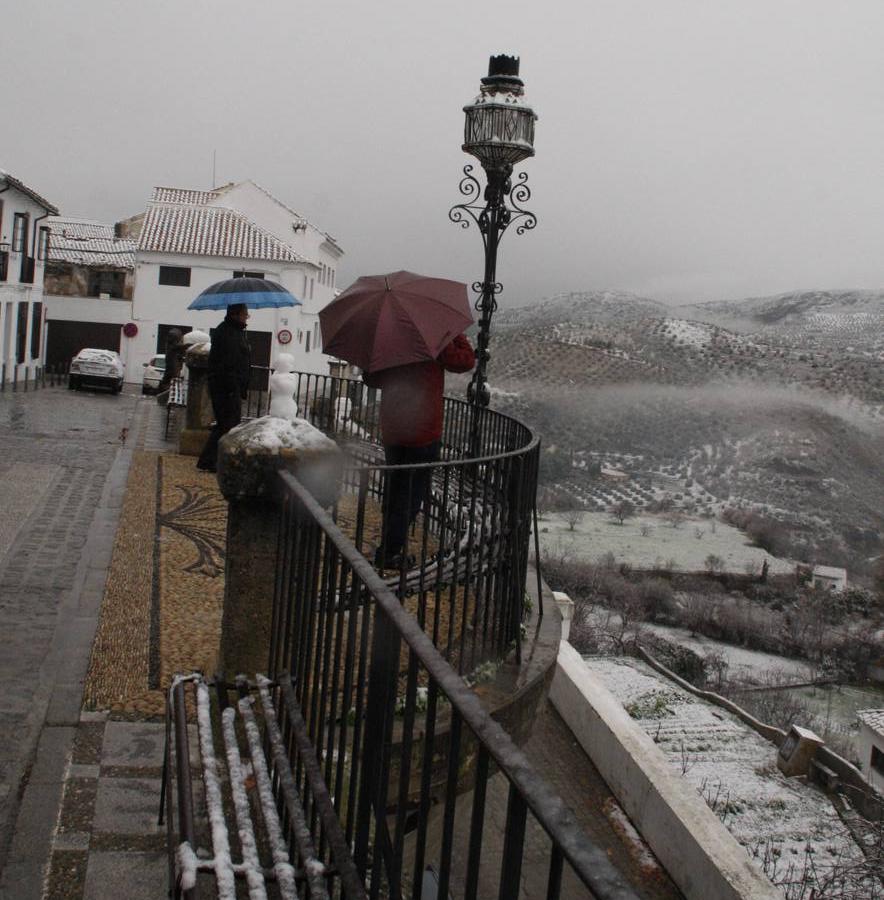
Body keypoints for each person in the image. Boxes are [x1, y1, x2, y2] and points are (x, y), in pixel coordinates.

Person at [363, 333, 475, 568]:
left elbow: (371, 378)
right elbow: (465, 360)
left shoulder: (390, 334)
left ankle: (390, 543)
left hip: (394, 425)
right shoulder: (433, 334)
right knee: (411, 493)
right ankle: (390, 552)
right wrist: (454, 333)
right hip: (422, 428)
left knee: (395, 487)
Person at [197, 303, 251, 472]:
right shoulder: (228, 333)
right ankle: (210, 460)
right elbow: (230, 363)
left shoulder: (233, 331)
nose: (247, 317)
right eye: (245, 314)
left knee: (227, 424)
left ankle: (212, 460)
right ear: (236, 314)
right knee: (226, 425)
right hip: (226, 387)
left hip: (229, 386)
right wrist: (234, 387)